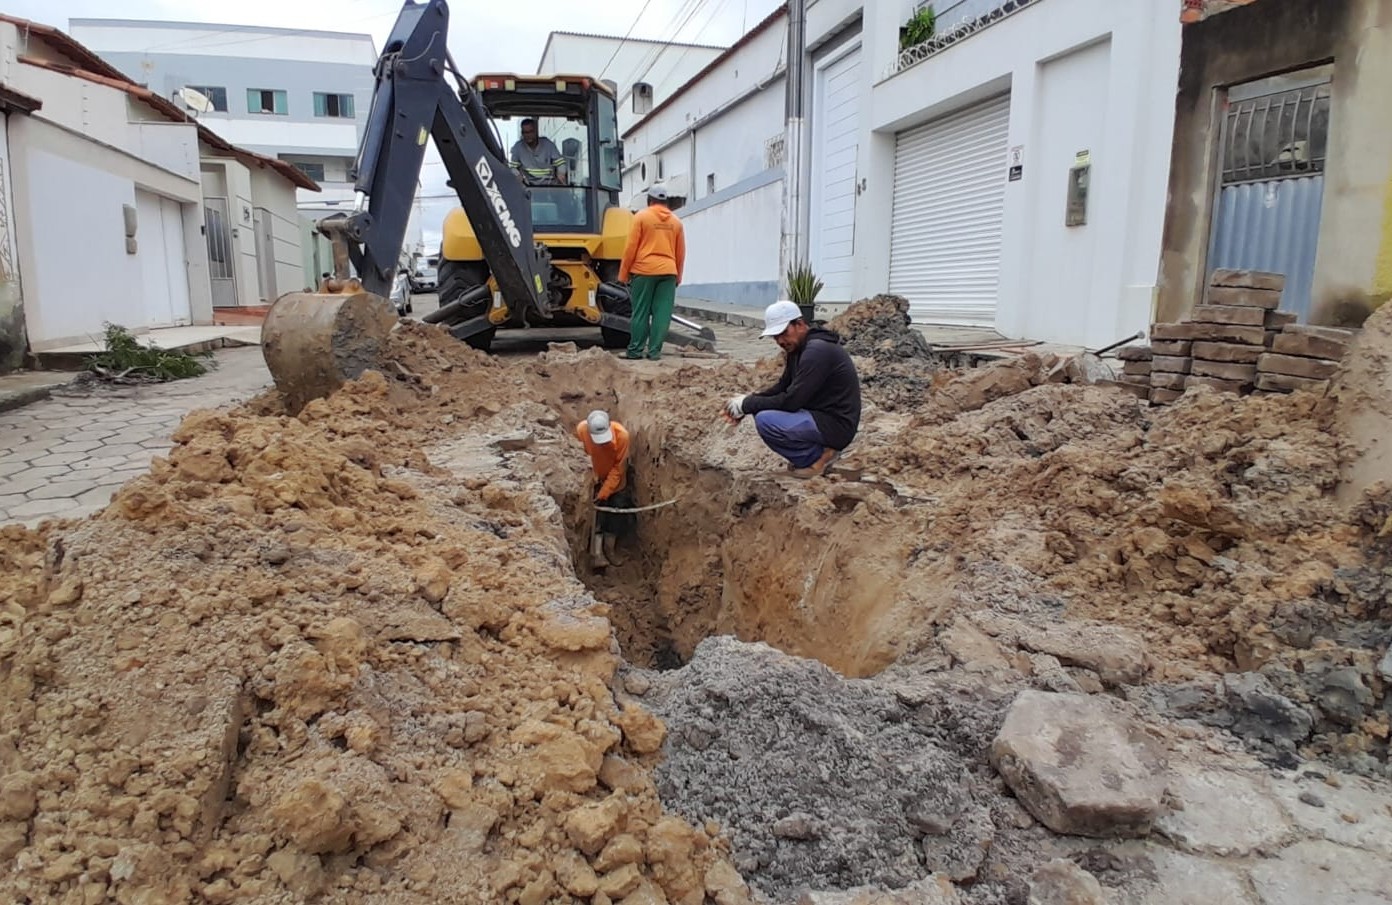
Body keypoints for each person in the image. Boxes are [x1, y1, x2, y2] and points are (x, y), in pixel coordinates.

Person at [723, 300, 861, 478]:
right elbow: (783, 386)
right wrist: (747, 402)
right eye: (775, 336)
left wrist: (748, 404)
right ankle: (817, 454)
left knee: (766, 420)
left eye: (783, 332)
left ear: (800, 324)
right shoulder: (798, 349)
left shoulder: (817, 351)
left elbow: (791, 401)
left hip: (835, 424)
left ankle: (818, 458)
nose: (780, 340)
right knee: (762, 410)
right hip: (820, 416)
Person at [618, 186, 685, 361]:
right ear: (666, 202)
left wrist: (623, 274)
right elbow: (680, 253)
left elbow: (630, 248)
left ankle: (635, 351)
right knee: (662, 314)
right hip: (668, 272)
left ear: (649, 201)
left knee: (641, 312)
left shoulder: (641, 217)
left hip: (643, 271)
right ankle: (654, 352)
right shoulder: (676, 222)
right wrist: (678, 276)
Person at [575, 409, 634, 567]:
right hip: (594, 481)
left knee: (616, 516)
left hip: (616, 483)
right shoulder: (582, 431)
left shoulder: (622, 436)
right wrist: (592, 484)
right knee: (598, 517)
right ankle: (597, 554)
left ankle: (610, 549)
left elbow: (618, 469)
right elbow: (578, 458)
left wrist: (605, 492)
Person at [510, 118, 568, 185]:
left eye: (530, 131)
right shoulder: (518, 147)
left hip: (549, 185)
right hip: (528, 186)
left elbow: (560, 163)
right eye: (525, 132)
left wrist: (561, 172)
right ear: (522, 133)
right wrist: (517, 175)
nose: (528, 135)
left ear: (535, 131)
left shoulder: (548, 145)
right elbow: (513, 167)